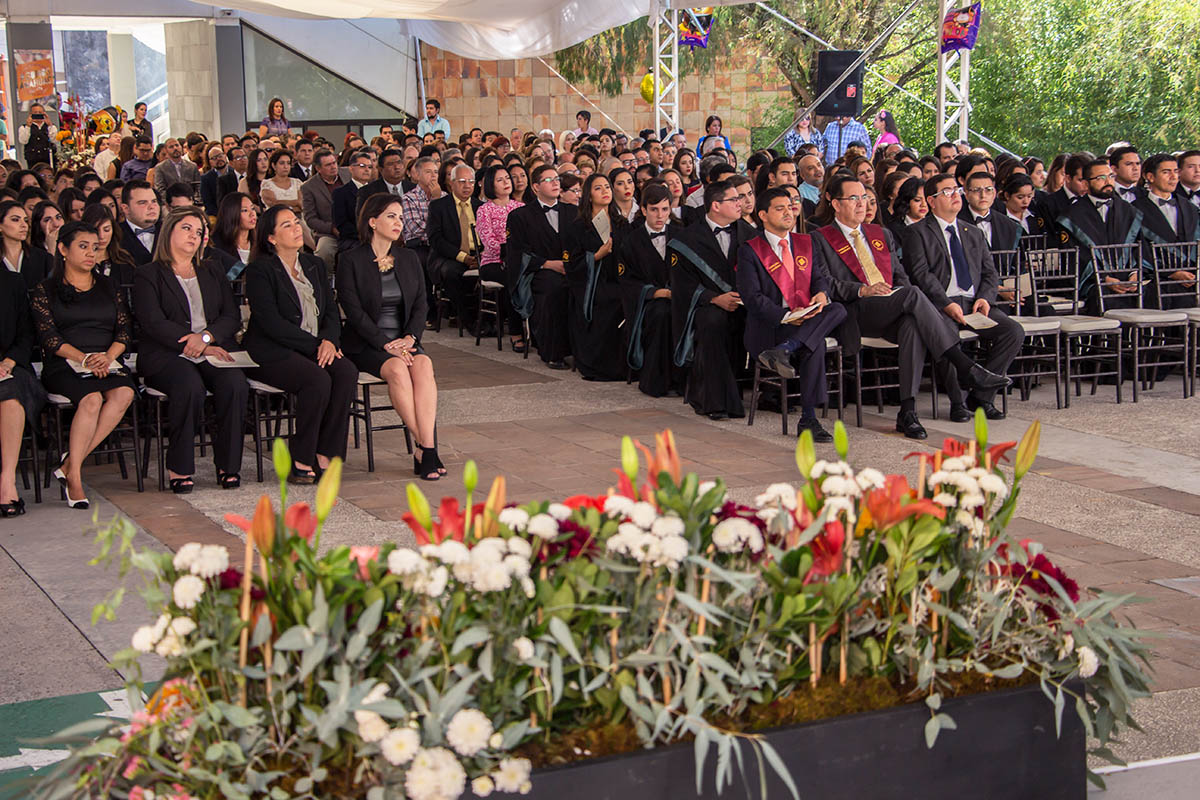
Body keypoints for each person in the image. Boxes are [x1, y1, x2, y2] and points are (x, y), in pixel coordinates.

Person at [813, 175, 1005, 440]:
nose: (862, 204)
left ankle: (908, 411)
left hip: (893, 304)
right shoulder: (819, 238)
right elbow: (825, 283)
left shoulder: (881, 234)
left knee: (913, 324)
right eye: (853, 198)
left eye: (865, 198)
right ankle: (963, 365)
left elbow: (900, 275)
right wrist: (863, 289)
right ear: (834, 203)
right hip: (857, 309)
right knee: (913, 294)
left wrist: (897, 290)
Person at [133, 207, 247, 492]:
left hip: (210, 348)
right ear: (169, 231)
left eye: (198, 232)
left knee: (235, 385)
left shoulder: (212, 269)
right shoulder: (148, 274)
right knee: (190, 386)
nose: (193, 236)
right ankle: (180, 467)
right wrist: (192, 341)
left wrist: (206, 339)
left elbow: (231, 316)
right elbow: (152, 321)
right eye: (186, 228)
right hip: (166, 353)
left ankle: (228, 465)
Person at [242, 207, 357, 484]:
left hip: (316, 344)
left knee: (346, 372)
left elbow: (330, 309)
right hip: (272, 350)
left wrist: (330, 340)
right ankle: (301, 456)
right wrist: (317, 344)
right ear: (271, 237)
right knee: (316, 379)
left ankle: (326, 452)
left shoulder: (314, 264)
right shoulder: (260, 270)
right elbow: (271, 323)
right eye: (287, 225)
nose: (296, 229)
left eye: (296, 223)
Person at [30, 221, 136, 508]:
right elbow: (49, 338)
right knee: (90, 399)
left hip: (107, 359)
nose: (91, 253)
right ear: (63, 249)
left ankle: (70, 463)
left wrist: (109, 356)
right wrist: (84, 358)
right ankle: (74, 476)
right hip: (66, 362)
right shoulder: (45, 289)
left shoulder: (107, 285)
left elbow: (125, 330)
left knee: (124, 393)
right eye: (83, 246)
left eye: (95, 247)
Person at [337, 194, 443, 480]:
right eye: (391, 216)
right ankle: (427, 446)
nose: (399, 222)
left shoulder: (408, 258)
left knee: (423, 365)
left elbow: (422, 302)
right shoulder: (350, 260)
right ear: (372, 221)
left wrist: (410, 337)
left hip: (404, 340)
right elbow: (353, 311)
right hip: (367, 342)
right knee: (397, 368)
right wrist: (385, 344)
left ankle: (425, 448)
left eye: (400, 217)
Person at [901, 174, 1022, 421]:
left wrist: (985, 298)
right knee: (946, 337)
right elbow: (921, 275)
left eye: (956, 190)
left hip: (974, 304)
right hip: (939, 306)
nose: (955, 195)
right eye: (947, 192)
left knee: (1013, 331)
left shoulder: (972, 231)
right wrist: (946, 304)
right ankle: (958, 402)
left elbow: (990, 273)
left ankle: (981, 396)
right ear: (932, 201)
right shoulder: (918, 232)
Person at [738, 187, 847, 441]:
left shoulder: (806, 243)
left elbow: (820, 278)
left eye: (790, 206)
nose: (788, 212)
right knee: (814, 341)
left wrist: (821, 293)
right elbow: (752, 298)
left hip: (806, 318)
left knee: (837, 308)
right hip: (772, 324)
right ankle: (809, 419)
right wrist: (786, 316)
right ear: (763, 215)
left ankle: (787, 349)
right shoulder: (750, 249)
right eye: (780, 208)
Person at [669, 179, 755, 419]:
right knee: (712, 322)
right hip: (706, 305)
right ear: (715, 205)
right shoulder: (687, 239)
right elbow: (681, 284)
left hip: (745, 303)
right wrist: (713, 298)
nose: (741, 203)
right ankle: (714, 400)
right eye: (734, 199)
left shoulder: (750, 234)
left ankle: (767, 394)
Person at [618, 183, 684, 397]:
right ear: (644, 210)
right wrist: (657, 293)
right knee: (662, 314)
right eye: (654, 209)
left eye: (665, 210)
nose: (660, 215)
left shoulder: (681, 236)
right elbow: (627, 281)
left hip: (681, 299)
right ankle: (656, 381)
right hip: (647, 303)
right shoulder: (630, 242)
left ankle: (684, 380)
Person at [561, 173, 626, 382]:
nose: (605, 191)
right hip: (590, 283)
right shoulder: (577, 226)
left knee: (624, 297)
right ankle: (596, 365)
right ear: (588, 195)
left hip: (618, 279)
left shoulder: (621, 223)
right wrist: (596, 256)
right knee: (606, 301)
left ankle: (624, 365)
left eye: (607, 187)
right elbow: (571, 263)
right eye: (598, 188)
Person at [1056, 158, 1142, 312]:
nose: (1108, 181)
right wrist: (1104, 279)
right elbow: (1075, 257)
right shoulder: (1072, 216)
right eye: (1100, 178)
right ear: (1086, 184)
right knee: (1105, 297)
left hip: (1128, 280)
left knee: (1148, 294)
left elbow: (1139, 247)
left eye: (1110, 176)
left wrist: (1134, 274)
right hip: (1094, 282)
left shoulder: (1129, 211)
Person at [507, 164, 570, 368]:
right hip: (538, 271)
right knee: (554, 288)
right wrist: (546, 264)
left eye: (557, 179)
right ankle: (552, 351)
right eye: (548, 180)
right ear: (535, 187)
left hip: (572, 268)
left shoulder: (573, 212)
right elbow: (517, 253)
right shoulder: (520, 216)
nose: (555, 183)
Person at [0, 263, 46, 515]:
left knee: (11, 393)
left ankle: (6, 482)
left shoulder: (12, 282)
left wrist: (8, 362)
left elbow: (27, 334)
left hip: (10, 364)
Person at [1132, 153, 1198, 301]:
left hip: (1193, 278)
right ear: (1150, 176)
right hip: (1157, 281)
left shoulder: (1190, 208)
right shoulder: (1134, 211)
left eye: (1176, 171)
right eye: (1166, 172)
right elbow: (1136, 250)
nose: (1173, 177)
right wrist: (1170, 272)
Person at [475, 165, 526, 351]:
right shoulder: (485, 210)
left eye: (507, 178)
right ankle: (515, 332)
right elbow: (488, 241)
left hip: (519, 260)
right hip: (494, 262)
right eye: (500, 180)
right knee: (513, 279)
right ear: (490, 184)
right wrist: (509, 252)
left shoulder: (521, 207)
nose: (506, 182)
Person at [959, 172, 1023, 252]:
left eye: (988, 190)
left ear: (994, 193)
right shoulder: (957, 223)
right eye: (976, 190)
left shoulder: (1009, 224)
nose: (983, 195)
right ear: (967, 195)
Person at [300, 148, 342, 271]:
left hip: (354, 229)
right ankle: (325, 282)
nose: (333, 167)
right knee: (324, 252)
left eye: (334, 163)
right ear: (318, 168)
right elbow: (310, 219)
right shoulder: (309, 187)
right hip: (328, 233)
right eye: (328, 165)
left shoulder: (347, 174)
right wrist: (331, 228)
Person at [82, 204, 136, 290]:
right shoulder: (78, 262)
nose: (101, 236)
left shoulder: (124, 260)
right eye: (96, 230)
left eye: (106, 230)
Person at [207, 192, 257, 282]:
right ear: (231, 213)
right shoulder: (216, 244)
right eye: (245, 210)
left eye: (253, 208)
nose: (252, 214)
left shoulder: (259, 242)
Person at [333, 150, 373, 252]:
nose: (367, 170)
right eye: (362, 166)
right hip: (352, 238)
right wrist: (366, 235)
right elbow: (341, 224)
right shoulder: (341, 193)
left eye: (369, 167)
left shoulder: (376, 190)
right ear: (351, 168)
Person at [118, 180, 162, 266]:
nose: (151, 207)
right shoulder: (115, 235)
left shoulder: (170, 231)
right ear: (125, 208)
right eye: (143, 203)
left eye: (154, 201)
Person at [19, 104, 57, 168]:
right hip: (32, 160)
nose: (38, 114)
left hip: (48, 159)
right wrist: (28, 126)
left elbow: (54, 139)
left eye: (40, 112)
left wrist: (50, 125)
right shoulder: (24, 127)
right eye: (35, 113)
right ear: (30, 114)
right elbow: (23, 141)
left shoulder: (51, 126)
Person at [199, 144, 228, 217]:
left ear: (225, 156)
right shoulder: (206, 178)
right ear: (210, 162)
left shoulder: (234, 172)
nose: (218, 159)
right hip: (216, 214)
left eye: (220, 156)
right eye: (214, 158)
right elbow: (208, 203)